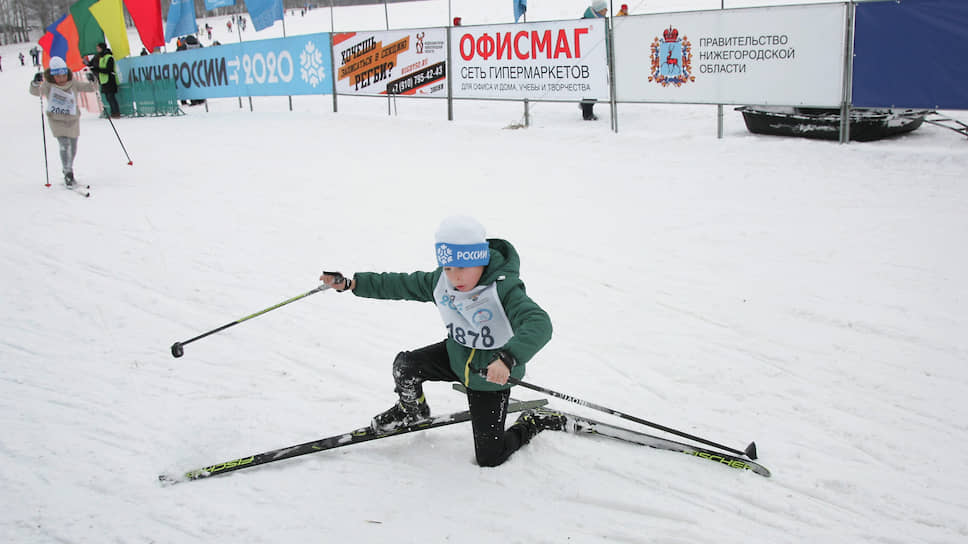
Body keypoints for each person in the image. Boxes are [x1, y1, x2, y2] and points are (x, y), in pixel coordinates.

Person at [319, 216, 562, 467]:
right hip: (455, 357)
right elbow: (400, 284)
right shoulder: (441, 282)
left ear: (480, 261)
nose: (454, 277)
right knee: (406, 365)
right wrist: (352, 284)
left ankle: (534, 421)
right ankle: (411, 411)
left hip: (489, 375)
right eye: (448, 267)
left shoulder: (504, 290)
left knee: (490, 457)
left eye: (462, 268)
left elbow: (539, 324)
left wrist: (507, 358)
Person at [29, 57, 96, 187]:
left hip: (72, 120)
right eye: (58, 76)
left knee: (73, 147)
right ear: (53, 76)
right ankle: (68, 172)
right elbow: (35, 92)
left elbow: (90, 88)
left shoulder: (73, 83)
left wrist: (93, 80)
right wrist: (35, 83)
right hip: (57, 120)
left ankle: (68, 166)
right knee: (64, 145)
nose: (61, 78)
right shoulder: (48, 85)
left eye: (63, 75)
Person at [580, 1, 608, 121]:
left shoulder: (601, 20)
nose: (606, 11)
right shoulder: (587, 21)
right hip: (590, 58)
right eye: (604, 9)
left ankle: (586, 105)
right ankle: (587, 113)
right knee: (593, 85)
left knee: (597, 84)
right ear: (598, 9)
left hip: (599, 57)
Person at [88, 42, 120, 119]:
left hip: (110, 80)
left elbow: (108, 69)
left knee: (111, 97)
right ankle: (113, 112)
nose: (97, 50)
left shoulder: (109, 57)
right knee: (108, 98)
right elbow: (91, 64)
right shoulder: (100, 57)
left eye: (98, 48)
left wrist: (97, 69)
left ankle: (116, 113)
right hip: (104, 80)